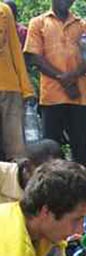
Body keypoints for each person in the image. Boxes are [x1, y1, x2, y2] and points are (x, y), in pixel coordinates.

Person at [24, 0, 86, 168]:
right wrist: (64, 81)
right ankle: (51, 188)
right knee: (50, 150)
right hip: (52, 98)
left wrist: (73, 75)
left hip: (79, 97)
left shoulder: (82, 24)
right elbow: (34, 57)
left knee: (80, 149)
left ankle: (81, 188)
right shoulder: (38, 23)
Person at [0, 2, 33, 161]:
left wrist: (26, 88)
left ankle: (15, 184)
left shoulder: (4, 10)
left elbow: (15, 50)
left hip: (10, 89)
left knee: (15, 150)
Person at [0, 139, 61, 203]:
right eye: (42, 173)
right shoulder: (2, 172)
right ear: (27, 166)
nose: (45, 180)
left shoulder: (51, 188)